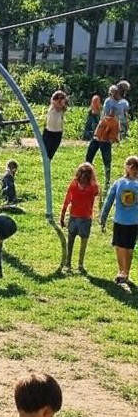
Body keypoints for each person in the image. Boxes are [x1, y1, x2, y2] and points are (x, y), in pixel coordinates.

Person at [100, 154, 138, 287]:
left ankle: (121, 272)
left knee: (120, 246)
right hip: (134, 222)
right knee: (129, 247)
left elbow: (109, 201)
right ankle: (126, 273)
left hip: (120, 221)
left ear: (128, 167)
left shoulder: (119, 182)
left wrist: (103, 217)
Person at [60, 162, 100, 274]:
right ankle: (70, 264)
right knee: (72, 242)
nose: (84, 176)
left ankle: (79, 265)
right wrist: (62, 216)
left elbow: (67, 201)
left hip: (84, 218)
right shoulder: (84, 185)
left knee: (81, 243)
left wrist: (62, 216)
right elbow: (67, 200)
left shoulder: (91, 186)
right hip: (75, 217)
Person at [86, 107, 119, 186]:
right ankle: (86, 176)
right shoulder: (104, 118)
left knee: (107, 161)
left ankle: (107, 180)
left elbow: (113, 136)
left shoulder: (115, 122)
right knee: (88, 158)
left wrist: (109, 139)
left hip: (105, 142)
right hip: (96, 139)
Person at [42, 90, 68, 160]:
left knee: (50, 154)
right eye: (57, 98)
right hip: (48, 132)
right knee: (45, 153)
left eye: (61, 98)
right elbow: (54, 99)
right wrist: (59, 95)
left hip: (57, 134)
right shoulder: (52, 107)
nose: (59, 100)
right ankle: (46, 166)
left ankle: (48, 166)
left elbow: (63, 103)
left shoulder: (63, 109)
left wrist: (63, 97)